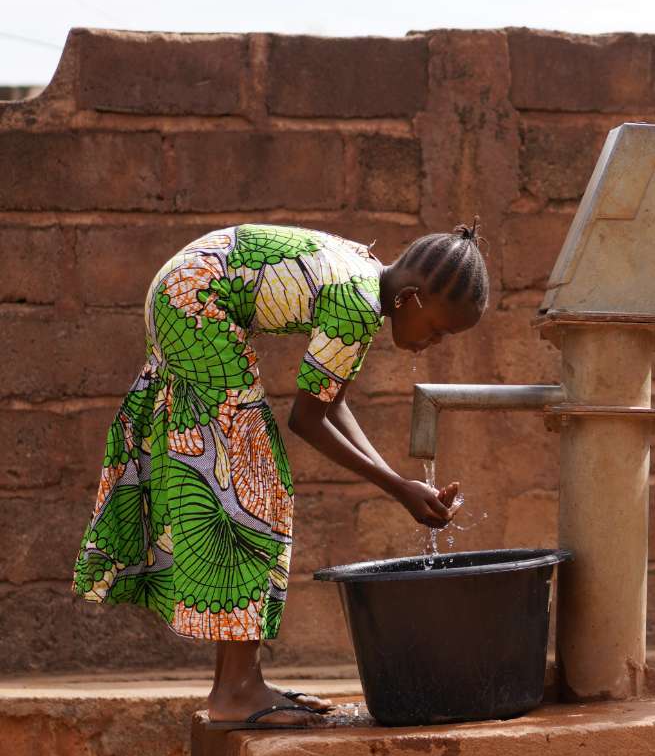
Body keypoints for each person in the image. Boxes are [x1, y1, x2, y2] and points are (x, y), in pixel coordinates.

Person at [72, 222, 488, 727]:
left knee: (242, 486)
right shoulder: (356, 303)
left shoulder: (364, 282)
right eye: (439, 330)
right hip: (194, 300)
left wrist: (398, 481)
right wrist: (396, 488)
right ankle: (236, 691)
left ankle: (240, 682)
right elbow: (307, 420)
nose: (435, 343)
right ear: (411, 299)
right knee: (250, 490)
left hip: (184, 288)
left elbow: (331, 406)